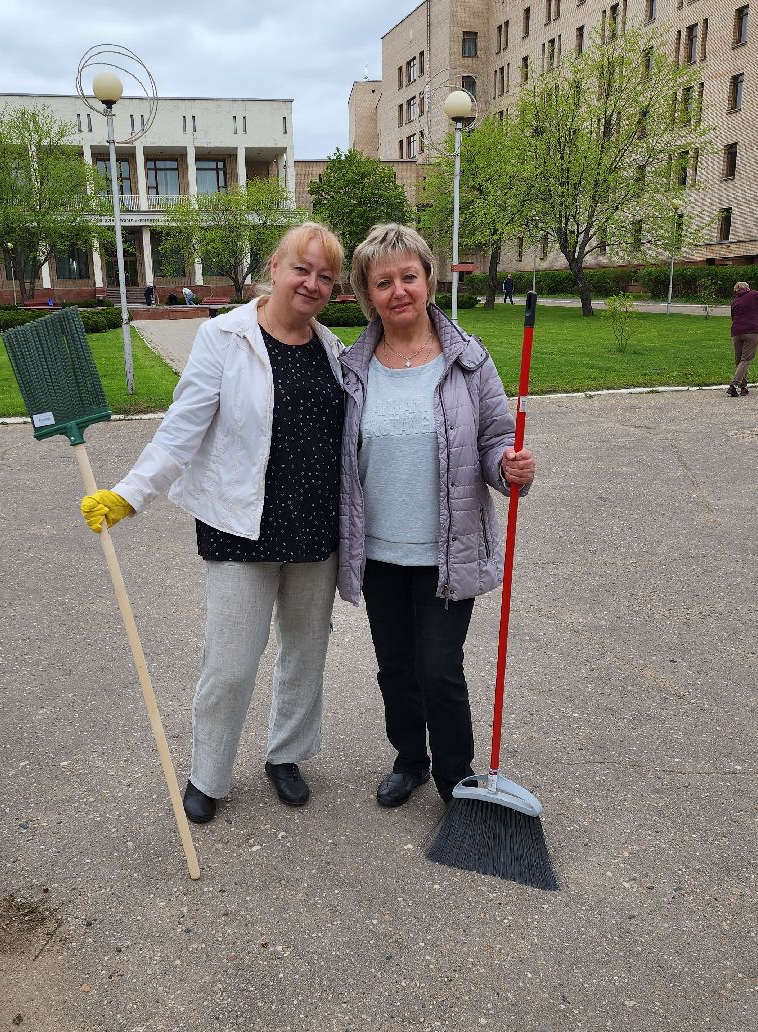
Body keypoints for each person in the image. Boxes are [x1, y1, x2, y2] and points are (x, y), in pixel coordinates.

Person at [79, 222, 347, 825]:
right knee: (229, 663)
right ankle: (209, 772)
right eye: (301, 269)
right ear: (274, 268)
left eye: (325, 276)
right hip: (238, 525)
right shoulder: (222, 338)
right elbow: (182, 428)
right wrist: (129, 495)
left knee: (305, 654)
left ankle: (288, 755)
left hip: (315, 530)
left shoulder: (334, 350)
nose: (311, 283)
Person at [337, 223, 536, 808]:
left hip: (448, 548)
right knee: (395, 668)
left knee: (440, 669)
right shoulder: (353, 368)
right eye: (383, 282)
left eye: (408, 276)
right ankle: (410, 759)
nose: (398, 290)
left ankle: (456, 777)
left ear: (428, 278)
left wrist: (508, 467)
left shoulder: (469, 363)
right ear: (366, 293)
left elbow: (497, 439)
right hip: (378, 552)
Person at [728, 280, 758, 397]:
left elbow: (733, 317)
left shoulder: (734, 302)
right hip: (751, 331)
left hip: (736, 332)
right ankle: (734, 385)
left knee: (739, 361)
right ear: (747, 288)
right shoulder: (754, 294)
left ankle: (743, 387)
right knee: (745, 360)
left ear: (736, 290)